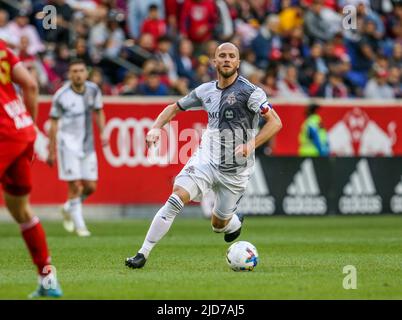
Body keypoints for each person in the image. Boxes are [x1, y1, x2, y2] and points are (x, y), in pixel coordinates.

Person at [125, 42, 282, 269]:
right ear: (214, 62)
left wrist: (250, 144)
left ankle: (233, 223)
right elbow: (174, 107)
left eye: (231, 56)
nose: (227, 59)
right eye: (222, 56)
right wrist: (156, 127)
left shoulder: (251, 92)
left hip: (236, 170)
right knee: (177, 197)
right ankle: (143, 253)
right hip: (206, 159)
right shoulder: (204, 91)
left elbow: (275, 122)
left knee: (218, 225)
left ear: (238, 63)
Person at [0, 39, 62, 297]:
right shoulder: (2, 47)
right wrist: (31, 130)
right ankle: (48, 281)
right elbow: (31, 85)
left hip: (2, 135)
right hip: (22, 131)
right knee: (20, 210)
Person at [47, 59, 107, 237]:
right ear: (69, 74)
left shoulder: (93, 90)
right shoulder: (61, 95)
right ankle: (81, 227)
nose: (78, 74)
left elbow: (99, 111)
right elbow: (53, 123)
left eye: (81, 70)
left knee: (90, 187)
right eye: (74, 71)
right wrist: (51, 150)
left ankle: (68, 208)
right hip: (67, 146)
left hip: (87, 145)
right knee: (73, 186)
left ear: (86, 73)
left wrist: (103, 133)